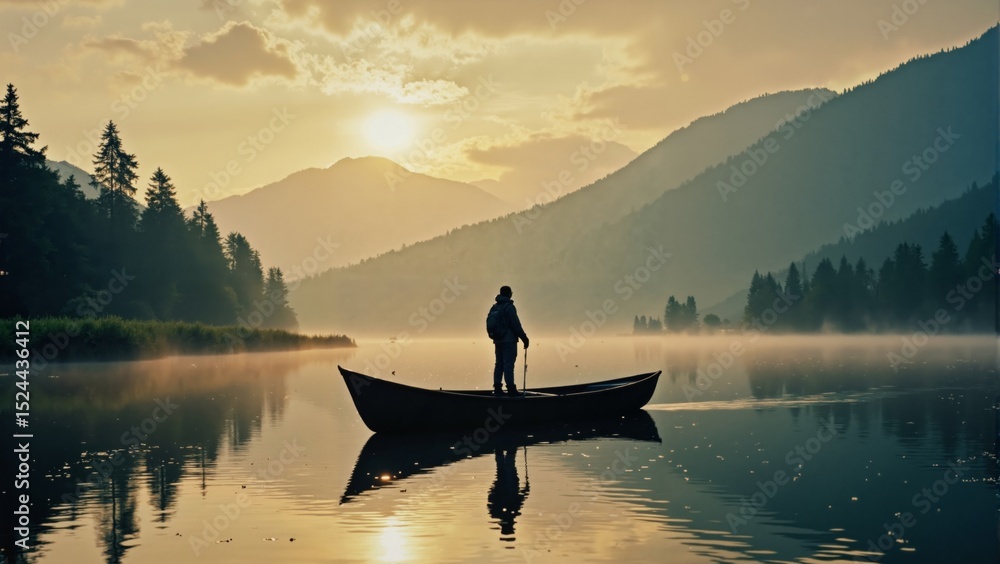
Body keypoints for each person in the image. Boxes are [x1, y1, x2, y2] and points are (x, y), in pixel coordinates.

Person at [489, 285, 529, 396]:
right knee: (508, 364)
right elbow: (516, 325)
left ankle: (497, 388)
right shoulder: (509, 307)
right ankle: (511, 389)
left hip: (498, 339)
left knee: (499, 364)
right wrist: (524, 338)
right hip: (509, 340)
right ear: (509, 294)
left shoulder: (495, 307)